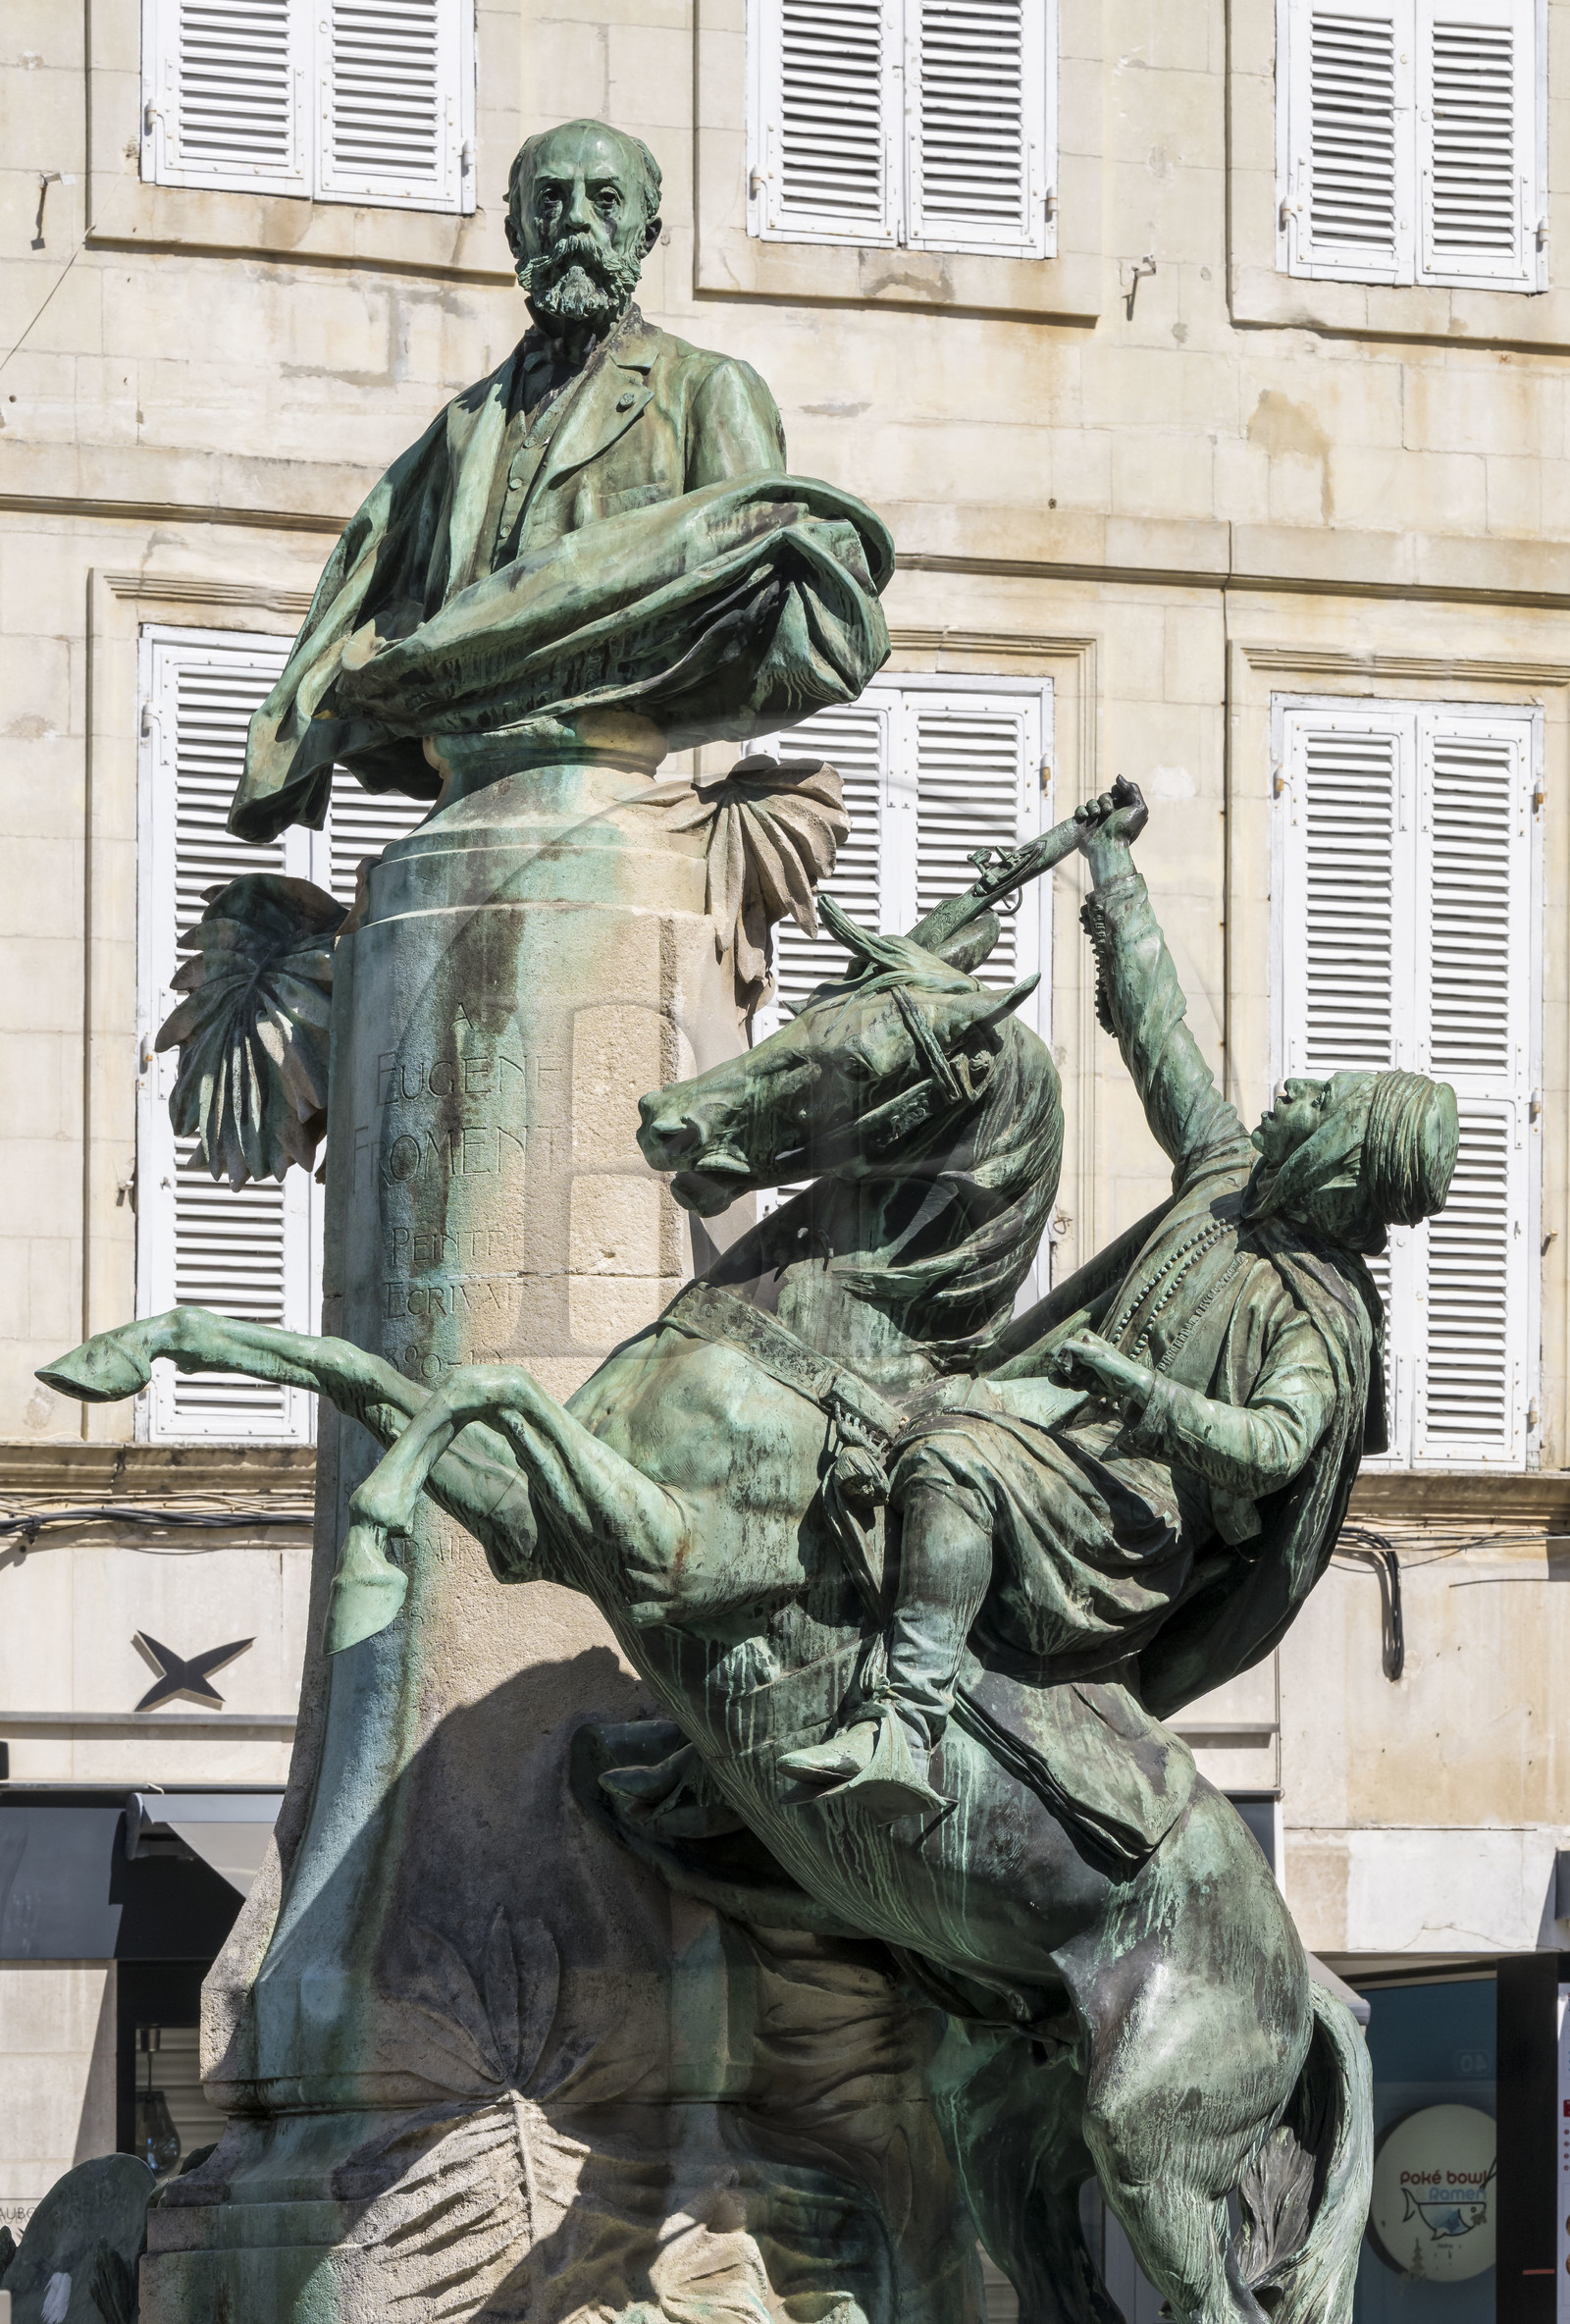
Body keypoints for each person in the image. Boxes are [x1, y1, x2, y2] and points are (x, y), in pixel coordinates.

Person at [779, 784, 1458, 1821]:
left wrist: (1139, 1391)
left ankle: (906, 1728)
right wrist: (1113, 867)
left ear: (1337, 1157)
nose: (1292, 1091)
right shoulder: (1225, 1172)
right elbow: (1156, 1028)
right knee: (849, 1422)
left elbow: (1274, 1446)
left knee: (952, 1460)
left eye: (1320, 1099)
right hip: (1053, 1426)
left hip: (1125, 1518)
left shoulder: (1319, 1319)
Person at [230, 119, 890, 843]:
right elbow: (367, 599)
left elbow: (759, 587)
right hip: (463, 796)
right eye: (550, 199)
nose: (575, 219)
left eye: (604, 199)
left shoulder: (706, 391)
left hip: (607, 806)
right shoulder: (461, 429)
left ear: (645, 234)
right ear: (516, 233)